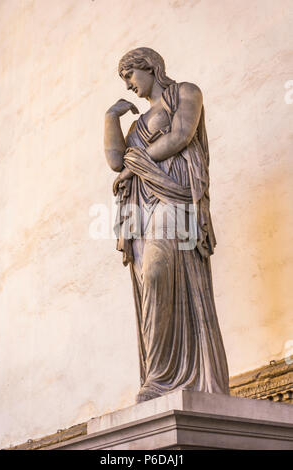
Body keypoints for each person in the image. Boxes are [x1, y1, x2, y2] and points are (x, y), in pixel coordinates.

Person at [104, 47, 229, 403]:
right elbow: (115, 161)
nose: (128, 86)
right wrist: (110, 117)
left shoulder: (186, 92)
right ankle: (160, 377)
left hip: (175, 196)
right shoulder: (137, 125)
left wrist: (134, 166)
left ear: (149, 67)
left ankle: (178, 374)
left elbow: (181, 136)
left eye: (129, 76)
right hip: (141, 205)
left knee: (159, 273)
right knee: (150, 286)